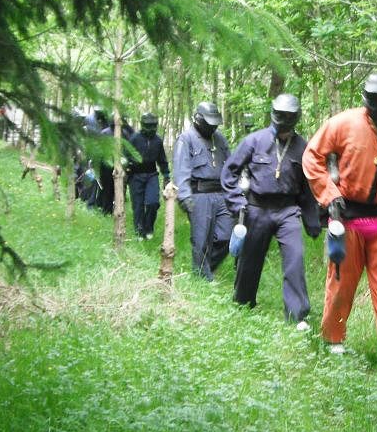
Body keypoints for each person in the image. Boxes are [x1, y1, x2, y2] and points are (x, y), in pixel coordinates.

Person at [302, 73, 377, 365]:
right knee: (341, 283)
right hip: (347, 217)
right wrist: (329, 195)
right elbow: (312, 156)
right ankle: (333, 338)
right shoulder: (343, 123)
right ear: (367, 100)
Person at [221, 94, 322, 329]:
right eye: (280, 118)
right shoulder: (254, 141)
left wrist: (312, 219)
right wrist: (237, 204)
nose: (283, 125)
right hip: (257, 207)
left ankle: (297, 316)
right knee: (249, 261)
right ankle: (243, 304)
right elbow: (229, 173)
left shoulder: (302, 147)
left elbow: (307, 189)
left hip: (288, 211)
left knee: (295, 259)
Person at [173, 101, 233, 281]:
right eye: (209, 122)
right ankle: (202, 278)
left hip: (221, 195)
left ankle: (205, 268)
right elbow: (181, 169)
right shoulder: (186, 138)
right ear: (198, 119)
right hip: (199, 195)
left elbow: (231, 167)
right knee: (201, 240)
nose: (213, 126)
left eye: (215, 123)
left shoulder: (220, 139)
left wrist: (235, 192)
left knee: (226, 236)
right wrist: (184, 196)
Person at [126, 113, 170, 239]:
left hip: (152, 175)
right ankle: (139, 230)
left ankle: (148, 227)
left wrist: (166, 176)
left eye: (153, 125)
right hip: (135, 175)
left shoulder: (158, 141)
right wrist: (126, 169)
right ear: (143, 125)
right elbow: (126, 155)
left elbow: (162, 160)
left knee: (153, 203)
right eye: (148, 125)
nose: (151, 128)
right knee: (138, 205)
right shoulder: (134, 138)